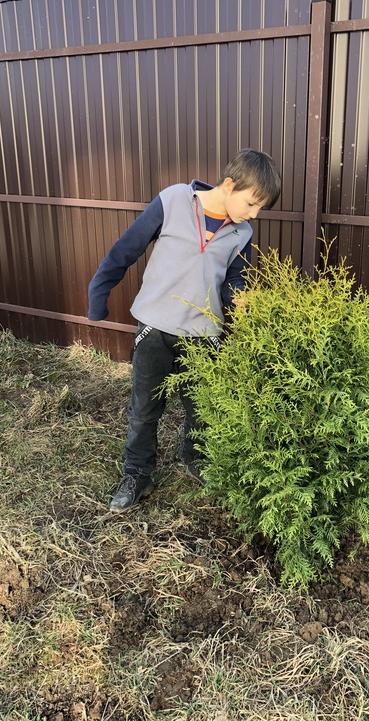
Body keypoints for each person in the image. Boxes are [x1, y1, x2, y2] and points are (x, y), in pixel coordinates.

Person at [87, 149, 281, 513]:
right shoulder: (174, 200)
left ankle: (195, 457)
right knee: (144, 409)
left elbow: (234, 279)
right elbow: (126, 249)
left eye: (260, 208)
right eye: (252, 203)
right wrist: (98, 294)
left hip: (203, 335)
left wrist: (239, 298)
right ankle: (137, 474)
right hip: (155, 327)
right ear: (229, 185)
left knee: (200, 407)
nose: (254, 214)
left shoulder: (242, 232)